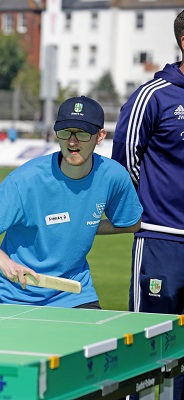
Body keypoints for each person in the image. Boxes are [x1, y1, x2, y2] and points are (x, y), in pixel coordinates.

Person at [0, 96, 142, 308]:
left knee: (99, 341)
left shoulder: (114, 176)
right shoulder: (27, 179)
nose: (72, 142)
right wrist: (3, 261)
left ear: (100, 135)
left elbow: (131, 223)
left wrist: (86, 225)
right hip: (14, 295)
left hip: (74, 293)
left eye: (82, 133)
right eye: (65, 132)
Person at [111, 10, 184, 400]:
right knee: (146, 346)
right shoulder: (153, 96)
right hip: (162, 239)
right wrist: (147, 210)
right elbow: (125, 163)